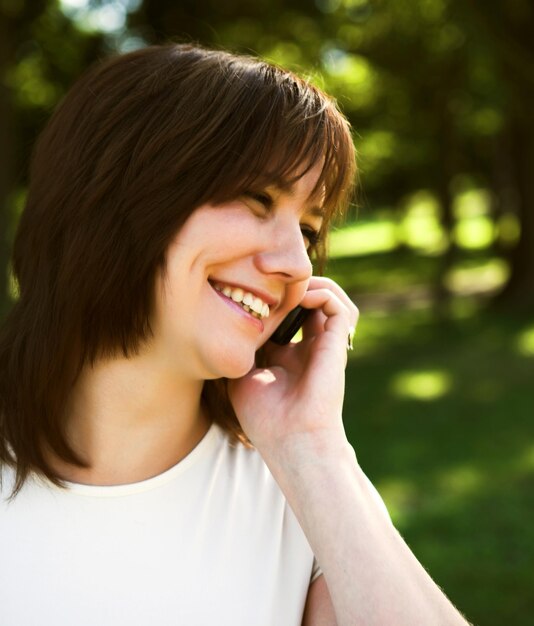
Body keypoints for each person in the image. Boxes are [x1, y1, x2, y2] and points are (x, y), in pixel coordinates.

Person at [0, 43, 471, 625]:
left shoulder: (307, 499)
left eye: (308, 227)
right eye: (256, 198)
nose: (298, 263)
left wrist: (313, 448)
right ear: (115, 194)